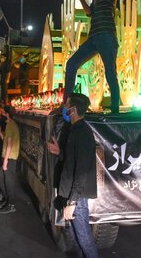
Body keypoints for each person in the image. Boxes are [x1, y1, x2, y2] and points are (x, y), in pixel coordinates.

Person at [58, 0, 120, 114]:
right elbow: (89, 12)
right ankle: (66, 104)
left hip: (106, 34)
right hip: (94, 37)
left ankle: (115, 110)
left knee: (110, 72)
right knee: (71, 64)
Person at [47, 93, 98, 257]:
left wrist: (73, 202)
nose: (65, 109)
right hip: (71, 195)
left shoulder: (82, 132)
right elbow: (72, 160)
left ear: (73, 110)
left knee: (84, 240)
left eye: (67, 106)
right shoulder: (75, 131)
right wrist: (59, 151)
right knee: (76, 238)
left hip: (77, 198)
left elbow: (82, 171)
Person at [0, 105, 20, 214]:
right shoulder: (9, 125)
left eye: (3, 112)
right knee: (2, 179)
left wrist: (5, 160)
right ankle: (7, 200)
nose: (1, 114)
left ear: (7, 114)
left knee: (9, 182)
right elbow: (6, 140)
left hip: (10, 158)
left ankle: (11, 204)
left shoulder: (11, 125)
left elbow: (10, 145)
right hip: (7, 157)